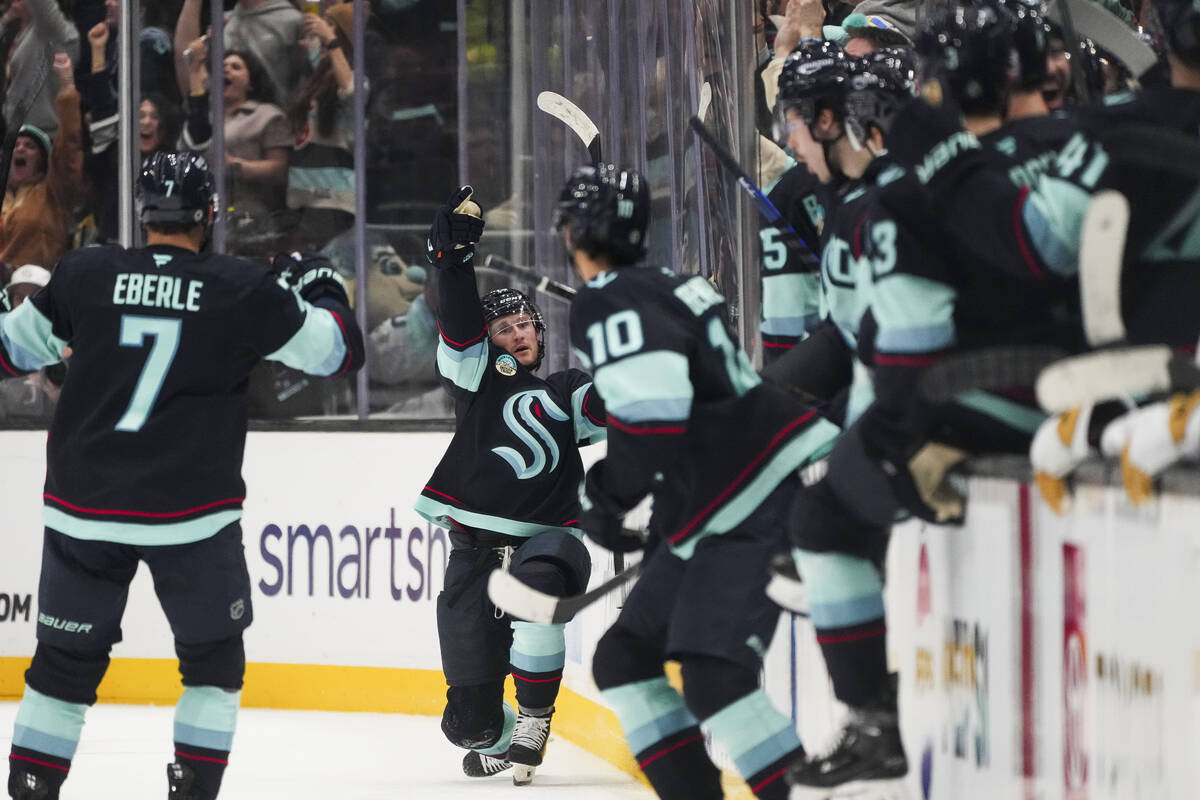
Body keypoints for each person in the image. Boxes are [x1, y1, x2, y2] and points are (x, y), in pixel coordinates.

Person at [0, 150, 364, 800]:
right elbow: (337, 354)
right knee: (212, 666)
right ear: (210, 215)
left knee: (60, 669)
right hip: (191, 516)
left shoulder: (85, 271)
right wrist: (321, 285)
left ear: (143, 214)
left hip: (83, 507)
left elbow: (10, 350)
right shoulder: (241, 286)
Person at [556, 163, 839, 800]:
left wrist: (607, 498)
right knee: (624, 658)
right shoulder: (671, 285)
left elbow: (656, 421)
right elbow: (681, 418)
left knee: (715, 678)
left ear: (576, 233)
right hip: (721, 498)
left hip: (754, 494)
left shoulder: (608, 299)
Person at [413, 187, 607, 785]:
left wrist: (644, 333)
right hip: (473, 553)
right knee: (465, 724)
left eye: (525, 322)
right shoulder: (475, 379)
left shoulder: (564, 390)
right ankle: (497, 735)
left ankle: (534, 720)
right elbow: (463, 328)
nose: (518, 332)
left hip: (550, 539)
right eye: (504, 326)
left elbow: (610, 404)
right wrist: (454, 264)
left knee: (536, 594)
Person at [1, 52, 82, 282]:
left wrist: (66, 83)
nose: (20, 149)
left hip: (37, 292)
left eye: (30, 146)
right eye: (16, 145)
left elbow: (69, 147)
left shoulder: (53, 194)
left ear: (43, 160)